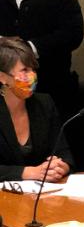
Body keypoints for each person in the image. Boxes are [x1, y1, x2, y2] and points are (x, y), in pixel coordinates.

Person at [0, 0, 84, 118]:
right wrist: (3, 43)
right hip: (3, 87)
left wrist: (29, 48)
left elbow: (73, 34)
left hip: (51, 88)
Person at [0, 38, 72, 182]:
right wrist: (26, 173)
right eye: (24, 70)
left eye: (33, 69)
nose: (32, 76)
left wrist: (60, 166)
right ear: (2, 77)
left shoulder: (44, 103)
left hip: (43, 194)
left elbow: (63, 152)